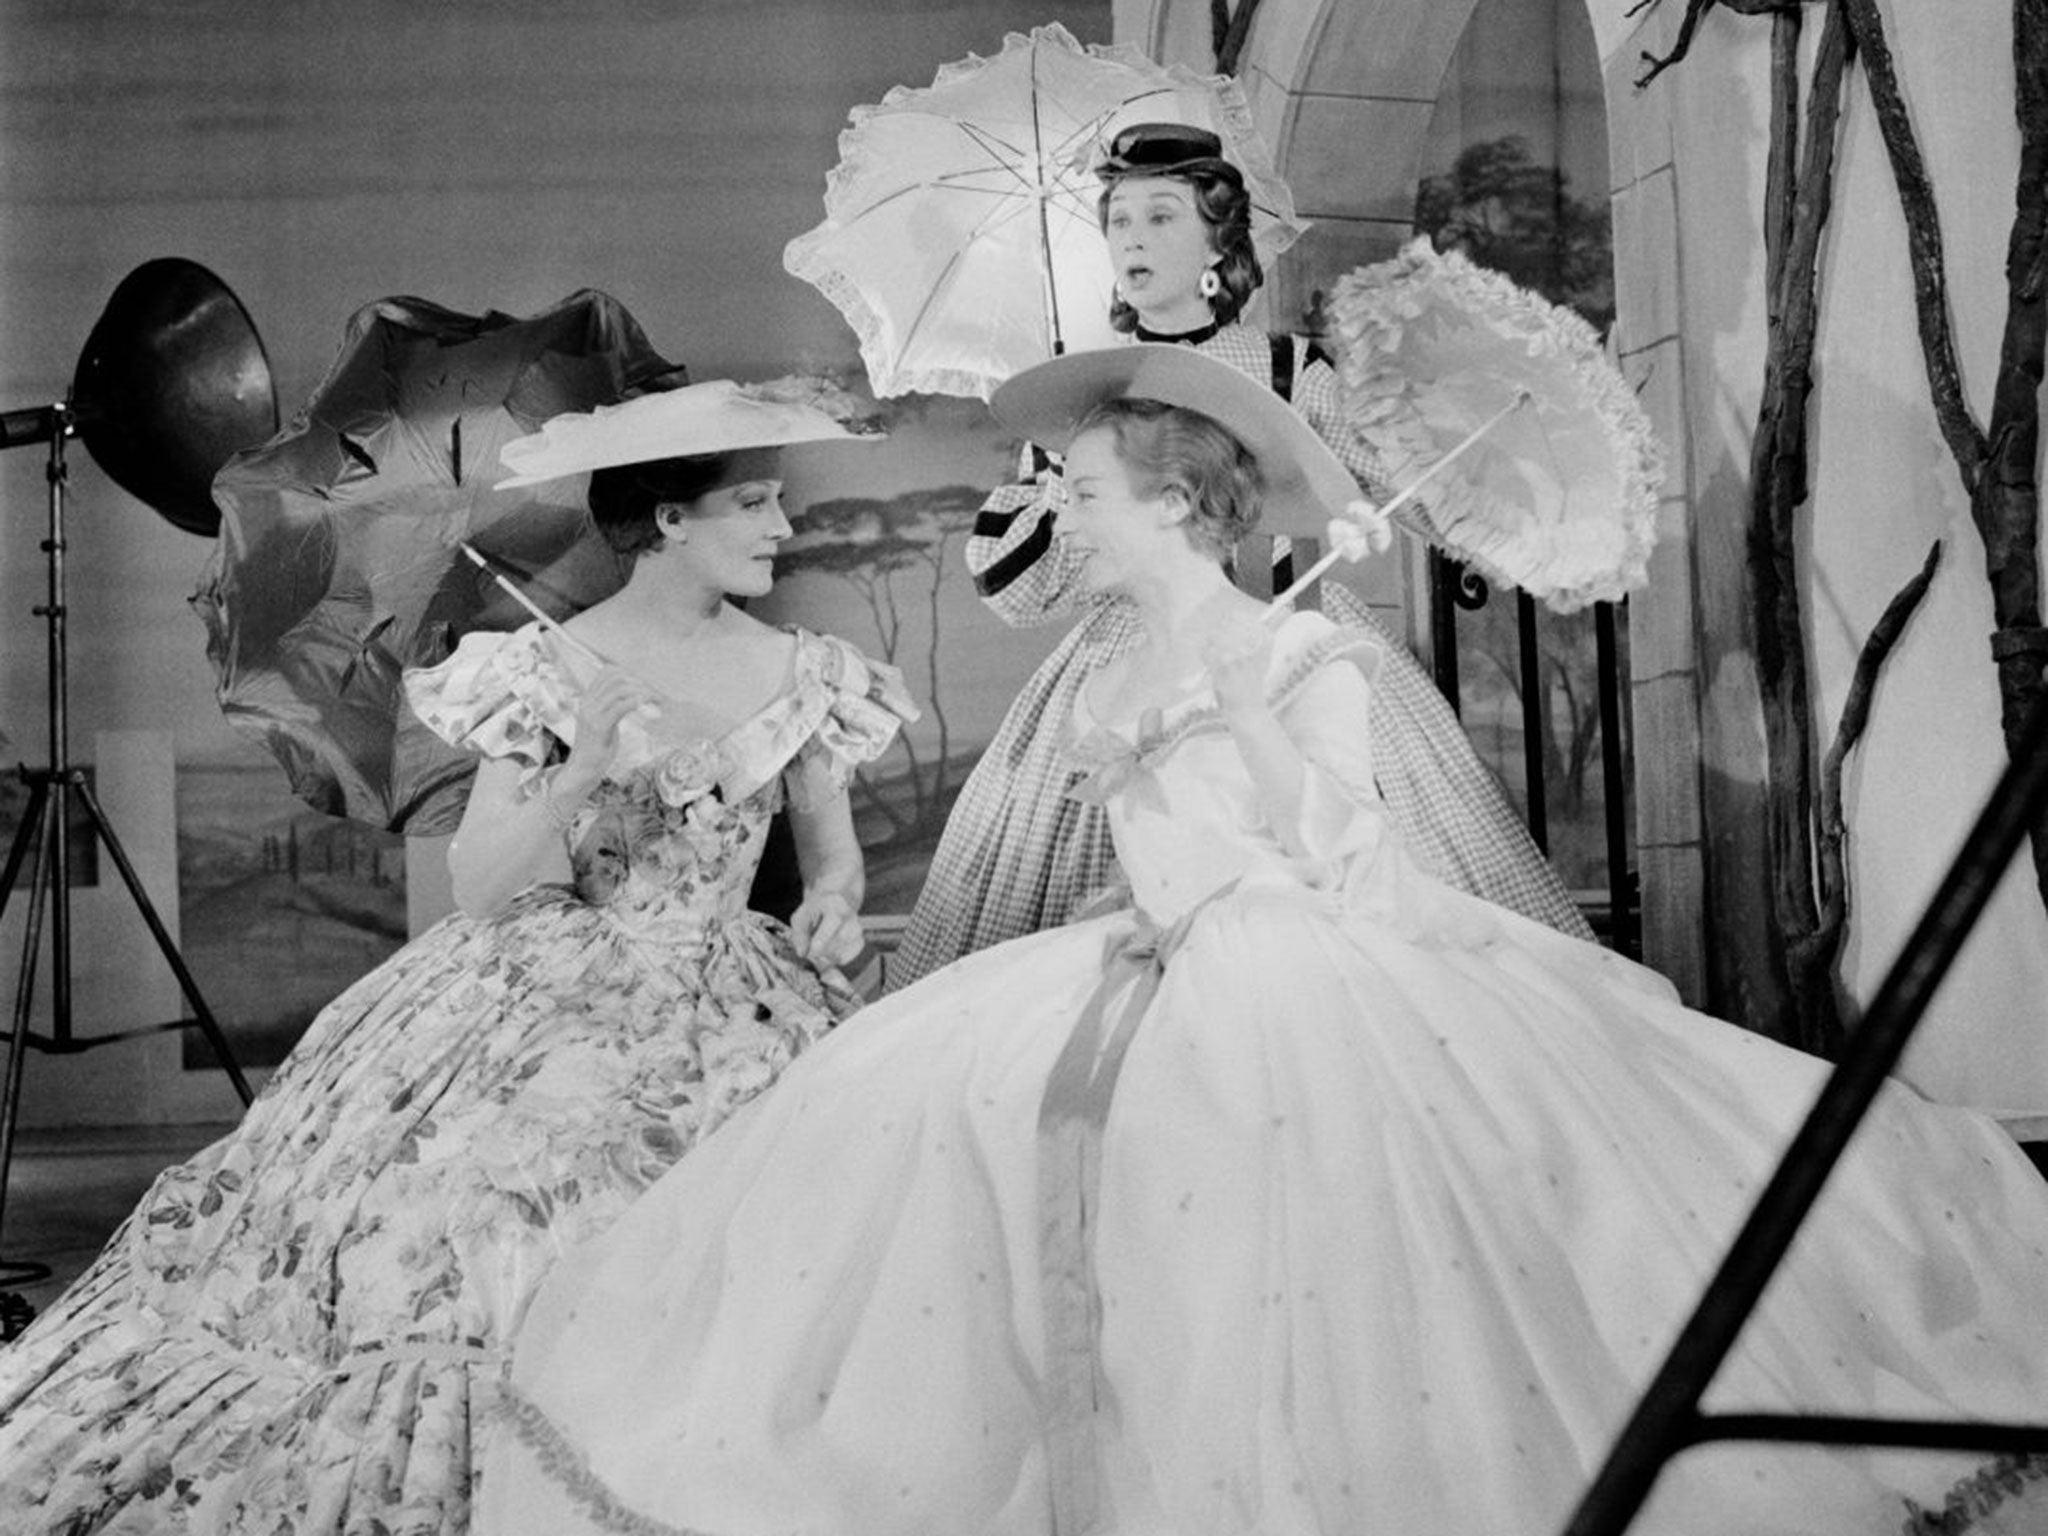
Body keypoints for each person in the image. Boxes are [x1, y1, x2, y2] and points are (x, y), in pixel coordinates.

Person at [479, 346, 2048, 1536]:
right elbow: (1143, 849)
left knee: (1293, 1210)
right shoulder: (1099, 675)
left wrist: (1247, 706)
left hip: (1302, 951)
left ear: (1172, 500)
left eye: (1088, 491)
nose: (1065, 512)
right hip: (1142, 950)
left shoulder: (1300, 646)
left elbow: (1344, 852)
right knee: (962, 1134)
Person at [0, 380, 916, 1536]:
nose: (783, 527)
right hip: (545, 983)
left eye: (779, 500)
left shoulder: (806, 668)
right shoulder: (540, 668)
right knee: (489, 1219)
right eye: (754, 503)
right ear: (669, 521)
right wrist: (581, 763)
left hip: (739, 993)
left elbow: (832, 866)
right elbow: (485, 888)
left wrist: (831, 910)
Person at [891, 121, 1589, 990]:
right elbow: (1018, 592)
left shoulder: (1290, 364)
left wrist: (1367, 512)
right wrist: (1066, 467)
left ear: (1219, 241)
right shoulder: (1081, 383)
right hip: (1132, 657)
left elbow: (1381, 489)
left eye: (1161, 217)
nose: (1134, 238)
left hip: (1281, 642)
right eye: (1118, 221)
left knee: (1347, 885)